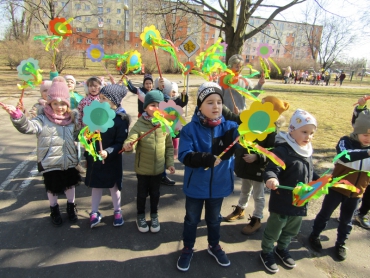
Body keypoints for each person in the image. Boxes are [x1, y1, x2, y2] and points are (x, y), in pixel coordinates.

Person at [176, 82, 239, 272]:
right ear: (200, 106)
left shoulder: (231, 127)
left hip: (219, 186)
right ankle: (188, 248)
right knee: (191, 219)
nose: (216, 106)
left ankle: (214, 245)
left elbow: (246, 137)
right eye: (210, 102)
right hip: (196, 186)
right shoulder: (190, 129)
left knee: (214, 219)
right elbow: (184, 155)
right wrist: (205, 158)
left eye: (219, 102)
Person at [1, 77, 81, 226]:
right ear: (49, 102)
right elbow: (28, 127)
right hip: (50, 162)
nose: (59, 107)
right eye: (55, 103)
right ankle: (54, 209)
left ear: (68, 104)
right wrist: (17, 117)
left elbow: (78, 135)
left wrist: (89, 132)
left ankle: (71, 206)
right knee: (52, 188)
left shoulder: (72, 119)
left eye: (63, 103)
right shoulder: (42, 119)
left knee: (70, 185)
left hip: (69, 160)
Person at [261, 109, 318, 273]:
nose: (308, 136)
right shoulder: (283, 151)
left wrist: (319, 180)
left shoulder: (307, 151)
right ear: (292, 130)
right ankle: (266, 251)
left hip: (300, 202)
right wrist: (272, 178)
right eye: (304, 132)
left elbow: (310, 172)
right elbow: (272, 169)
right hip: (282, 201)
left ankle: (282, 248)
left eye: (311, 133)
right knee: (274, 230)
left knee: (290, 230)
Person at [308, 110, 370, 261]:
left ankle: (341, 243)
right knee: (325, 214)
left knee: (346, 220)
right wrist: (367, 153)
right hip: (337, 188)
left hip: (356, 193)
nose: (368, 139)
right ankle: (314, 235)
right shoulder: (345, 141)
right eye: (366, 134)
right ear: (357, 131)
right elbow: (345, 155)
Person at [224, 96, 290, 236]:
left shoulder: (272, 130)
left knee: (258, 195)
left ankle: (257, 218)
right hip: (247, 167)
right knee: (245, 189)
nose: (259, 105)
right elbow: (239, 125)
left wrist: (257, 156)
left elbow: (273, 152)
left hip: (259, 168)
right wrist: (236, 114)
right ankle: (240, 209)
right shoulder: (254, 120)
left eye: (263, 104)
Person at [122, 90, 175, 233]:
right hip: (142, 169)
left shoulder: (164, 124)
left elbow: (169, 146)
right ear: (145, 107)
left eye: (159, 105)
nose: (156, 108)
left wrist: (169, 163)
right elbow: (131, 139)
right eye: (152, 105)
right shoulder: (139, 124)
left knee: (155, 194)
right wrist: (128, 146)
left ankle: (154, 214)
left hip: (158, 169)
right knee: (141, 194)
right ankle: (140, 215)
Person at [84, 84, 130, 228]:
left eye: (103, 98)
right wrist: (88, 150)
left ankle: (117, 211)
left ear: (113, 101)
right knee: (96, 185)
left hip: (112, 159)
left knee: (113, 186)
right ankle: (94, 212)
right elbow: (87, 137)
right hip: (96, 158)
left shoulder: (120, 119)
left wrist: (108, 152)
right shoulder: (97, 115)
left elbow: (120, 142)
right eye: (100, 97)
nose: (100, 100)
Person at [351, 96, 370, 229]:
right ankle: (350, 211)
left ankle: (361, 213)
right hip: (364, 158)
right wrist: (361, 107)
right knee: (355, 186)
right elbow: (358, 122)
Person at [165, 81, 188, 159]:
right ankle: (167, 151)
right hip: (167, 121)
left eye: (174, 92)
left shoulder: (178, 100)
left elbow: (184, 102)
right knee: (167, 137)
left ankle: (175, 151)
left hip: (176, 122)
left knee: (175, 137)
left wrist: (184, 96)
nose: (172, 93)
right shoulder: (165, 99)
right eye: (171, 92)